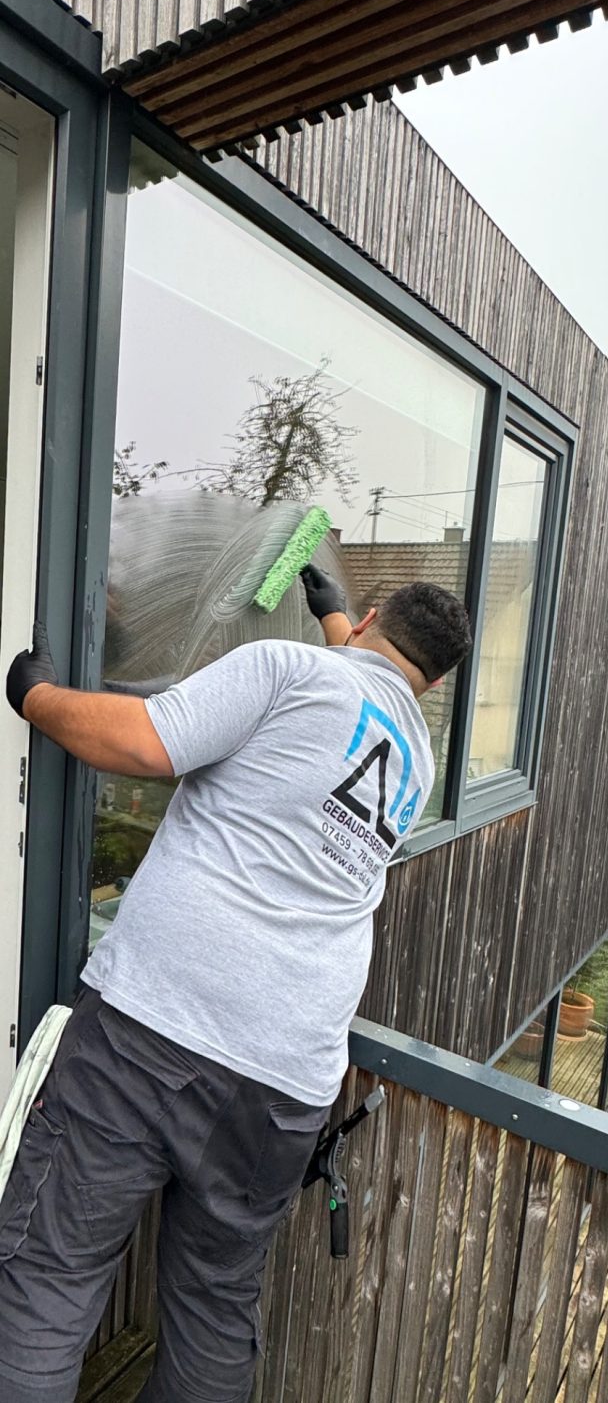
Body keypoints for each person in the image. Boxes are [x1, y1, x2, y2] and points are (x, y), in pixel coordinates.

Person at [0, 567, 472, 1403]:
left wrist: (35, 696)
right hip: (285, 1084)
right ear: (431, 685)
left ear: (372, 620)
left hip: (152, 1033)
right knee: (215, 1308)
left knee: (50, 1272)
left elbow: (143, 743)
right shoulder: (414, 760)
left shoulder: (286, 669)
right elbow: (361, 682)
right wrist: (332, 615)